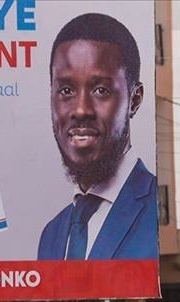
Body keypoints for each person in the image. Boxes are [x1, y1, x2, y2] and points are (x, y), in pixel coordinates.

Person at [37, 13, 157, 260]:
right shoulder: (51, 235)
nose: (81, 110)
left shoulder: (157, 210)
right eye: (66, 90)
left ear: (134, 99)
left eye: (101, 90)